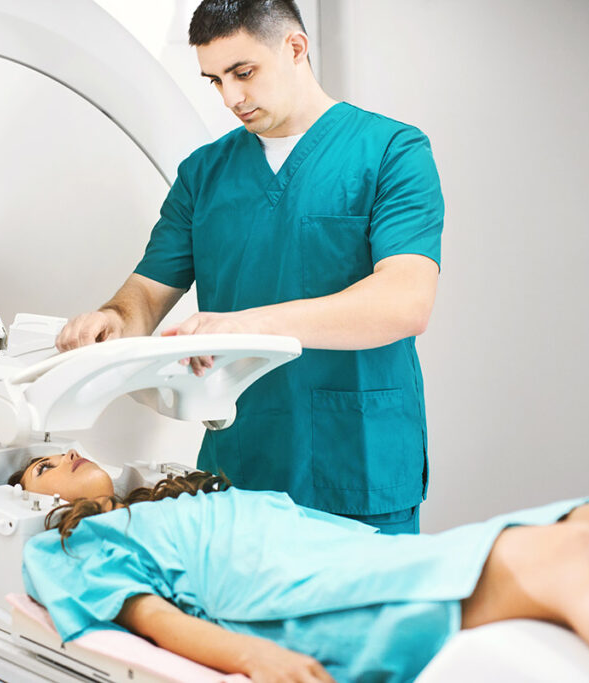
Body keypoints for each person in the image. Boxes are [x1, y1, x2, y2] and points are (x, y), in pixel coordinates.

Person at [55, 0, 444, 534]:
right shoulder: (204, 174)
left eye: (243, 72)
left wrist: (244, 324)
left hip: (357, 457)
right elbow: (146, 294)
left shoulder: (391, 152)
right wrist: (113, 319)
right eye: (215, 80)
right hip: (240, 460)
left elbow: (405, 302)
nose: (231, 97)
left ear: (295, 48)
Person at [12, 455, 589, 683]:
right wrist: (252, 657)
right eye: (42, 467)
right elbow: (148, 616)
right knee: (577, 555)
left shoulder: (163, 499)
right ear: (30, 502)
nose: (62, 454)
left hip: (359, 557)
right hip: (308, 598)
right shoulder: (69, 545)